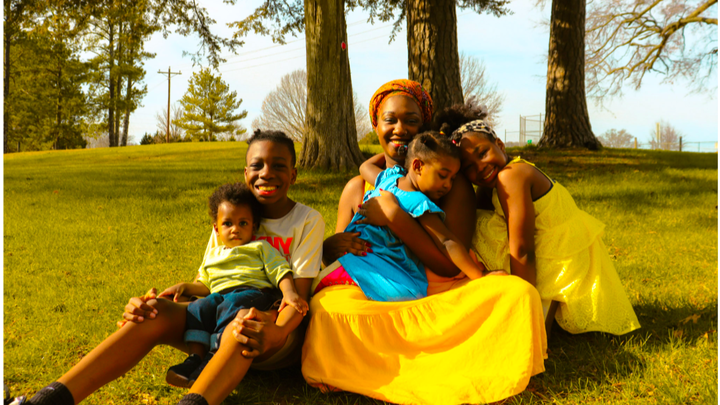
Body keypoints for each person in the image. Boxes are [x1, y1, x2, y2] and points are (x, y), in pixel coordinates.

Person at [10, 129, 324, 405]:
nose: (267, 173)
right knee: (153, 312)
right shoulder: (230, 218)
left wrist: (277, 332)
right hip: (220, 322)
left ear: (293, 174)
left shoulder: (306, 220)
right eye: (257, 165)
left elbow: (297, 298)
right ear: (245, 173)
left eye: (278, 165)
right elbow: (210, 287)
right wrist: (162, 300)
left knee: (242, 321)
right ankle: (46, 401)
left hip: (272, 334)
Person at [297, 79, 547, 405]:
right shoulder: (361, 185)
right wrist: (330, 246)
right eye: (390, 120)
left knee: (517, 293)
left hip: (439, 294)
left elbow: (449, 261)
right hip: (372, 292)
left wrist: (395, 217)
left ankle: (402, 364)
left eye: (411, 120)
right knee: (329, 309)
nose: (400, 129)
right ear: (376, 126)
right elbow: (341, 257)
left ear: (423, 128)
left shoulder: (447, 184)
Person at [430, 104, 641, 335]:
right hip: (560, 252)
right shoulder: (498, 178)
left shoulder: (511, 176)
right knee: (479, 220)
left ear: (500, 144)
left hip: (559, 261)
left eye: (483, 154)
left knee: (477, 228)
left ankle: (535, 305)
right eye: (469, 167)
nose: (480, 167)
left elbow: (522, 249)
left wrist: (524, 303)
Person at [160, 182, 308, 388]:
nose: (235, 229)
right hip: (220, 296)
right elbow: (205, 285)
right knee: (199, 307)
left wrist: (289, 292)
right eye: (228, 224)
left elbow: (280, 271)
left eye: (243, 223)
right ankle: (195, 356)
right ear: (216, 229)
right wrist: (183, 287)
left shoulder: (260, 248)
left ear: (253, 227)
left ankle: (214, 356)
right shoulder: (213, 255)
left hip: (252, 294)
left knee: (232, 304)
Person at [317, 132, 491, 302]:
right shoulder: (418, 203)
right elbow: (446, 242)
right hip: (376, 266)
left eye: (453, 179)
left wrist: (405, 150)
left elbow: (365, 166)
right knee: (408, 294)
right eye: (443, 176)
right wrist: (480, 275)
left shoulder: (388, 179)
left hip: (353, 255)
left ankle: (341, 274)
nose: (448, 185)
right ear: (418, 166)